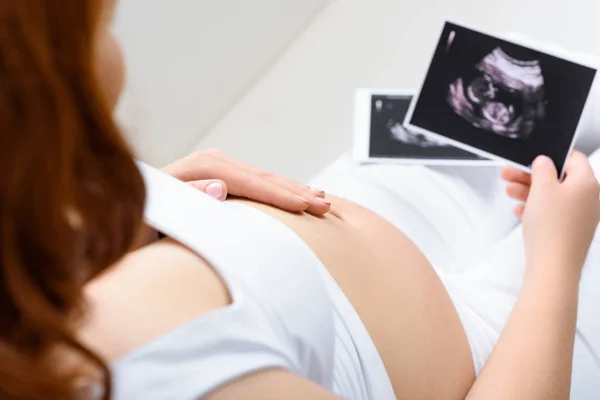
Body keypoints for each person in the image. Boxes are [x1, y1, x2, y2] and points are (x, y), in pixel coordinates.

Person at [1, 1, 599, 400]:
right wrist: (556, 264)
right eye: (93, 21)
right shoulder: (155, 375)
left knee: (515, 88)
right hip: (497, 363)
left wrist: (153, 208)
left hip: (329, 265)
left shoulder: (31, 193)